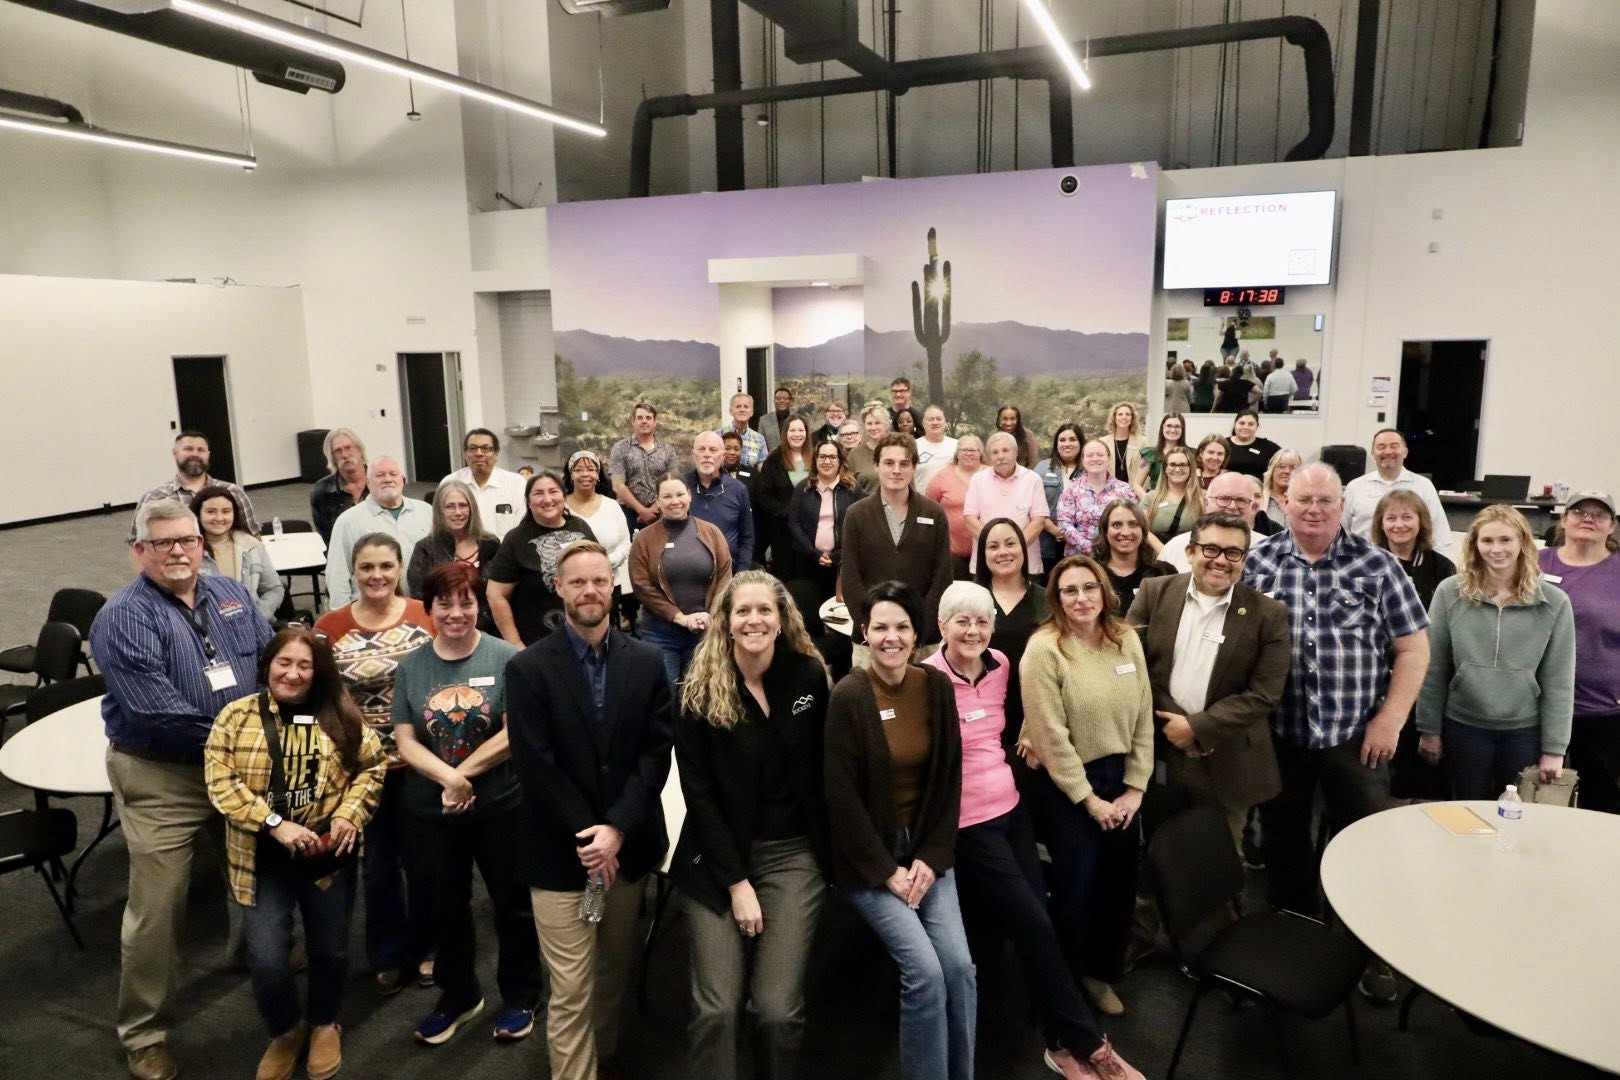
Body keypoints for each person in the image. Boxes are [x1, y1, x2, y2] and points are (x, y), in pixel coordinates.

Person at [923, 582, 1145, 1080]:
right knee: (1035, 925)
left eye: (982, 621)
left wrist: (1028, 736)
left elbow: (1030, 714)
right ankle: (1088, 1045)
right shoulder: (928, 680)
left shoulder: (1002, 665)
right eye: (962, 621)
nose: (973, 630)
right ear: (942, 625)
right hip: (969, 823)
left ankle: (1058, 1044)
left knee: (1040, 918)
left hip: (1013, 810)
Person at [90, 501, 276, 1080]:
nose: (177, 551)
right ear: (139, 551)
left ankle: (252, 955)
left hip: (239, 765)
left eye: (187, 540)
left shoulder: (231, 595)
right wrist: (248, 741)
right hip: (163, 775)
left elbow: (270, 658)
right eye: (163, 542)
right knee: (159, 905)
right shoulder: (123, 616)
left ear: (203, 545)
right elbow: (158, 714)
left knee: (253, 870)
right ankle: (145, 1033)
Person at [1242, 463, 1429, 1002]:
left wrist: (1390, 720)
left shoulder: (1377, 565)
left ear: (1342, 505)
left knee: (1365, 848)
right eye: (1303, 499)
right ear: (1285, 503)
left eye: (1325, 500)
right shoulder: (1258, 563)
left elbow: (1414, 649)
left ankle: (1369, 952)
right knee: (1284, 843)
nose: (1314, 509)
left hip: (1357, 737)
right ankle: (1295, 940)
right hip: (1281, 735)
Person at [506, 542, 674, 1080]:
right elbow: (536, 764)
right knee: (571, 988)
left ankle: (604, 1059)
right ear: (559, 588)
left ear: (613, 586)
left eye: (599, 581)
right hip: (560, 855)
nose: (590, 591)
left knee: (612, 974)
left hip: (627, 850)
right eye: (577, 582)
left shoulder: (646, 662)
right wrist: (591, 836)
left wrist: (617, 828)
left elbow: (655, 753)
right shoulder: (528, 668)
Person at [204, 628, 386, 1080]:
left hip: (326, 857)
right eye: (284, 662)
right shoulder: (235, 717)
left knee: (330, 948)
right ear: (267, 665)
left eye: (305, 665)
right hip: (262, 860)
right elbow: (220, 782)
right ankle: (284, 1030)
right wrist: (273, 823)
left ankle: (324, 1022)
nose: (293, 673)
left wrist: (349, 814)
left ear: (318, 671)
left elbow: (372, 766)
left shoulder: (339, 716)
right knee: (267, 958)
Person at [673, 572, 831, 1080]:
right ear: (726, 621)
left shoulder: (808, 677)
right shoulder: (698, 693)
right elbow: (699, 798)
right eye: (743, 610)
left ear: (782, 620)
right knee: (717, 1010)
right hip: (716, 858)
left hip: (792, 854)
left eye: (765, 610)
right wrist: (737, 883)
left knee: (777, 1012)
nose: (754, 620)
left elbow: (829, 769)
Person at [825, 581, 974, 1080]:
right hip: (872, 859)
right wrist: (888, 871)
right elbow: (841, 799)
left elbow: (950, 778)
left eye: (902, 627)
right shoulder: (849, 696)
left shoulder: (936, 686)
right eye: (881, 627)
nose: (892, 637)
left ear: (917, 633)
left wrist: (931, 857)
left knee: (959, 968)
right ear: (864, 632)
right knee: (926, 973)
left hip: (927, 850)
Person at [392, 563, 541, 1045]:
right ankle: (458, 996)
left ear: (480, 605)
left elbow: (514, 734)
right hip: (431, 810)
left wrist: (462, 775)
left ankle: (521, 996)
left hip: (500, 806)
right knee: (445, 906)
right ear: (429, 608)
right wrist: (448, 779)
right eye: (444, 603)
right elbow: (405, 740)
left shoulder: (507, 658)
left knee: (512, 904)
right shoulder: (412, 666)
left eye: (466, 602)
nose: (456, 613)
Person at [1018, 555, 1154, 1018]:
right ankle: (1067, 981)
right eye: (1069, 590)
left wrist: (1136, 787)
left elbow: (1143, 717)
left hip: (1122, 779)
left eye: (1089, 587)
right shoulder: (1045, 649)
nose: (1081, 598)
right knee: (1077, 886)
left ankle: (1101, 972)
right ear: (1056, 599)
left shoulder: (1126, 639)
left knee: (1120, 882)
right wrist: (1089, 800)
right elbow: (1048, 735)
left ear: (1104, 591)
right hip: (1068, 785)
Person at [313, 533, 439, 995]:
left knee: (425, 862)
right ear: (353, 571)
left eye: (386, 566)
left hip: (423, 761)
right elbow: (319, 696)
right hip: (365, 770)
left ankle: (429, 947)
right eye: (366, 567)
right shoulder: (330, 626)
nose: (377, 576)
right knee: (379, 868)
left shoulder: (425, 614)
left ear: (400, 567)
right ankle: (386, 953)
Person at [1127, 512, 1289, 849]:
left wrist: (1197, 727)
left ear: (1244, 559)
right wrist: (1176, 723)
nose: (1221, 560)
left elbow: (1265, 693)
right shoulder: (1154, 593)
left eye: (1233, 552)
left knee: (1221, 861)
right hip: (1161, 750)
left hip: (1229, 759)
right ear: (1190, 552)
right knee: (1161, 851)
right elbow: (1130, 666)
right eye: (1211, 549)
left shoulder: (1268, 615)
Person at [1417, 507, 1575, 799]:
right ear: (1474, 544)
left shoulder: (1555, 602)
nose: (1496, 549)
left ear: (1523, 542)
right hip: (1463, 727)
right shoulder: (1449, 592)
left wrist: (1555, 748)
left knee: (1517, 815)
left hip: (1524, 732)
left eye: (1505, 540)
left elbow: (1559, 681)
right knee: (1465, 813)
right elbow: (1433, 666)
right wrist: (1429, 728)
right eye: (1487, 541)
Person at [1371, 489, 1456, 800]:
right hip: (1379, 682)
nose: (1399, 524)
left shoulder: (1443, 569)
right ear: (1380, 523)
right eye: (1391, 518)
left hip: (1427, 679)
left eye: (1407, 517)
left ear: (1422, 522)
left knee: (1424, 771)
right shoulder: (1369, 563)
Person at [1539, 491, 1620, 813]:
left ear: (1612, 526)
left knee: (1601, 805)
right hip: (1536, 707)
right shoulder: (1533, 562)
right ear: (1563, 519)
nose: (1588, 519)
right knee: (1536, 798)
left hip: (1602, 711)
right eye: (1579, 512)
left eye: (1599, 515)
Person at [840, 434, 953, 650]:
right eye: (889, 463)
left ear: (914, 467)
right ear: (876, 466)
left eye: (904, 464)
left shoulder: (934, 513)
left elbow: (943, 575)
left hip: (923, 640)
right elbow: (850, 575)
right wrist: (871, 626)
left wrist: (920, 629)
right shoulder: (856, 514)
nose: (896, 470)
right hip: (870, 640)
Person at [630, 474, 734, 685]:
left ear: (689, 496)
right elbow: (641, 585)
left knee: (702, 694)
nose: (674, 501)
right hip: (660, 633)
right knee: (664, 694)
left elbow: (725, 576)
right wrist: (678, 617)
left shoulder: (712, 532)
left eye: (679, 494)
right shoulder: (644, 539)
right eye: (667, 496)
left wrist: (711, 614)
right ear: (658, 501)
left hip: (705, 630)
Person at [485, 469, 600, 647]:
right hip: (535, 643)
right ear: (528, 502)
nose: (547, 499)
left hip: (585, 638)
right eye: (538, 493)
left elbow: (599, 576)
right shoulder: (516, 539)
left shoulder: (580, 527)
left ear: (563, 496)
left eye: (553, 491)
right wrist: (515, 644)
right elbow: (495, 594)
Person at [324, 457, 433, 609]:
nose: (388, 479)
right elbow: (337, 574)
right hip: (369, 612)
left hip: (419, 607)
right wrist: (341, 615)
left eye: (393, 474)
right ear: (368, 483)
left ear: (402, 480)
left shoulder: (426, 511)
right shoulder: (348, 521)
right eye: (380, 475)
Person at [129, 430, 260, 545]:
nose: (195, 454)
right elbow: (138, 543)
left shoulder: (233, 492)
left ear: (208, 454)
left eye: (201, 450)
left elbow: (253, 536)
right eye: (188, 449)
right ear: (175, 453)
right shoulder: (154, 498)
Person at [406, 481, 499, 625]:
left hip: (489, 628)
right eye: (449, 506)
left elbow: (500, 592)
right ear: (439, 511)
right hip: (443, 627)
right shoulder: (425, 548)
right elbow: (420, 598)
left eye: (463, 505)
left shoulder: (491, 544)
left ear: (472, 508)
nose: (458, 512)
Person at [1342, 428, 1453, 549]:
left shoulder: (1424, 486)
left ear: (1405, 452)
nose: (1388, 451)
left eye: (1394, 446)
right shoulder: (1355, 487)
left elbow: (1439, 536)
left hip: (1410, 559)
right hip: (1363, 558)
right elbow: (1340, 531)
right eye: (1381, 447)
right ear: (1373, 453)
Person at [786, 440, 862, 609]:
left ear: (840, 461)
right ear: (815, 460)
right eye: (822, 457)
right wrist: (814, 554)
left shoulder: (853, 489)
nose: (827, 461)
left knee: (839, 611)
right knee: (809, 609)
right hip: (808, 562)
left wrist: (837, 556)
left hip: (842, 565)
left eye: (832, 457)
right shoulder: (803, 488)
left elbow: (861, 528)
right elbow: (794, 524)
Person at [964, 431, 1049, 577]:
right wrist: (995, 548)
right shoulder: (978, 480)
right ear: (989, 457)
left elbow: (1038, 521)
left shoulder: (1033, 479)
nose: (1000, 456)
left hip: (1026, 565)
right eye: (995, 452)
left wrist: (1014, 549)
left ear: (1015, 452)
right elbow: (970, 519)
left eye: (1005, 450)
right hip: (986, 565)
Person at [191, 485, 283, 618]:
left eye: (226, 511)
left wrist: (257, 616)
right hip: (207, 626)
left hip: (253, 624)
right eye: (211, 512)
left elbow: (274, 589)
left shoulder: (252, 545)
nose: (219, 518)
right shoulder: (187, 551)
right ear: (198, 514)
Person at [563, 450, 633, 623]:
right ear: (570, 475)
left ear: (598, 474)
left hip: (608, 583)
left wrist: (604, 564)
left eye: (591, 469)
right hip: (571, 585)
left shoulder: (612, 506)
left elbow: (625, 544)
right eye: (579, 470)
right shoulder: (561, 507)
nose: (585, 474)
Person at [1160, 472, 1275, 572]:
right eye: (1224, 499)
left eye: (1241, 500)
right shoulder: (1175, 547)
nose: (1232, 506)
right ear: (1205, 504)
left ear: (1253, 507)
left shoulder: (1269, 550)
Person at [1055, 438, 1136, 558]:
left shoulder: (1125, 490)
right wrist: (1090, 549)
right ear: (1083, 460)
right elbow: (1064, 524)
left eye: (1100, 455)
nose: (1095, 458)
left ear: (1108, 459)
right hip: (1079, 559)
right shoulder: (1071, 490)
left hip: (1116, 557)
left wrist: (1110, 549)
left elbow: (1133, 522)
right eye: (1090, 455)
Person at [439, 428, 526, 540]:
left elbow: (522, 528)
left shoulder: (516, 483)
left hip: (504, 549)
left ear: (496, 454)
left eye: (485, 448)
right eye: (472, 448)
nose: (479, 453)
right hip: (461, 548)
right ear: (465, 454)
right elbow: (441, 524)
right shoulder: (450, 482)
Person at [1092, 500, 1174, 617]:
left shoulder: (1164, 573)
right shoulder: (1091, 574)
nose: (1125, 532)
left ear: (1143, 531)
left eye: (1133, 524)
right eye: (1116, 525)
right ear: (1105, 531)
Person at [688, 431, 755, 570]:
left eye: (713, 450)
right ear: (693, 456)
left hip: (728, 572)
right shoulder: (681, 487)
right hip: (689, 572)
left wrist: (741, 574)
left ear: (722, 456)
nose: (707, 454)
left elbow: (747, 538)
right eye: (701, 449)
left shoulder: (738, 489)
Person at [608, 402, 678, 534]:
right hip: (628, 513)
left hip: (661, 512)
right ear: (633, 421)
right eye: (640, 418)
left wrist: (654, 509)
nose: (644, 421)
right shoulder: (620, 448)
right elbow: (618, 485)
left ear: (655, 422)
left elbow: (673, 483)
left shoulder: (668, 450)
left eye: (648, 418)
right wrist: (641, 510)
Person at [754, 416, 812, 573]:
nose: (797, 434)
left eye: (801, 430)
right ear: (785, 433)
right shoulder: (774, 459)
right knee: (785, 573)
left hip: (811, 530)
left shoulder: (815, 457)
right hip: (782, 531)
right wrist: (787, 513)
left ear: (807, 433)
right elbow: (764, 495)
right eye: (792, 430)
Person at [925, 435, 984, 580]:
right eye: (964, 450)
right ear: (957, 453)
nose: (969, 453)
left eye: (973, 450)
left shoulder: (991, 474)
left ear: (981, 453)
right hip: (953, 554)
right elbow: (928, 508)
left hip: (987, 552)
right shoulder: (943, 476)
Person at [1033, 423, 1084, 575]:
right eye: (1062, 440)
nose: (1067, 444)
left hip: (1081, 544)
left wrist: (1072, 534)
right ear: (1056, 444)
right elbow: (1033, 504)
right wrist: (1054, 530)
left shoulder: (1089, 469)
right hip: (1047, 541)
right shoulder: (1042, 468)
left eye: (1072, 439)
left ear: (1081, 443)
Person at [310, 427, 368, 546]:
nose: (345, 455)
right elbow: (327, 539)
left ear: (360, 450)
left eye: (348, 447)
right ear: (332, 458)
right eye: (338, 451)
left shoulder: (380, 482)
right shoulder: (322, 491)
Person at [1140, 446, 1202, 545]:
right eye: (1172, 465)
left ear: (1191, 469)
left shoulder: (1202, 498)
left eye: (1183, 465)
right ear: (1165, 469)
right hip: (1156, 552)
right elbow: (1142, 529)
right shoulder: (1150, 498)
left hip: (1190, 551)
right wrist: (1164, 551)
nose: (1177, 469)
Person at [847, 402, 891, 496]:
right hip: (865, 504)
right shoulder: (855, 454)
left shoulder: (897, 450)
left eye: (877, 423)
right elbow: (847, 487)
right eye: (869, 424)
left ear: (886, 424)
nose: (873, 427)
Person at [1136, 413, 1187, 494]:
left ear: (1182, 429)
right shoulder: (1150, 454)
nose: (1173, 430)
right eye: (1169, 426)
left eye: (1177, 426)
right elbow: (1137, 485)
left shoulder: (1190, 454)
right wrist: (1149, 500)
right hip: (1157, 499)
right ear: (1162, 427)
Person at [1222, 410, 1281, 480]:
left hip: (1258, 486)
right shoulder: (1222, 444)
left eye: (1251, 424)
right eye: (1242, 423)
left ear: (1257, 426)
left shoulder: (1267, 447)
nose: (1245, 427)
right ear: (1235, 424)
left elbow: (1286, 459)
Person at [913, 404, 958, 493]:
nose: (935, 422)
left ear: (945, 422)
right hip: (921, 499)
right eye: (931, 419)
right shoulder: (913, 446)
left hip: (950, 499)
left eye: (939, 419)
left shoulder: (957, 445)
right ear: (923, 424)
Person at [718, 393, 768, 469]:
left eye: (746, 407)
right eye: (738, 406)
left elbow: (763, 469)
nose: (742, 410)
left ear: (751, 412)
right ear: (731, 411)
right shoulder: (717, 436)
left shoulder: (759, 439)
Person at [1103, 402, 1145, 487]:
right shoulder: (1103, 442)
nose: (1124, 417)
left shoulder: (1142, 442)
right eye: (1120, 414)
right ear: (1114, 418)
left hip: (1133, 491)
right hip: (1110, 491)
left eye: (1128, 414)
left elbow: (1145, 469)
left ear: (1132, 418)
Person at [1260, 449, 1302, 529]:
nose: (1287, 471)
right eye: (1281, 467)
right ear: (1272, 470)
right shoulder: (1259, 498)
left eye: (1293, 468)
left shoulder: (1305, 501)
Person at [995, 404, 1041, 469]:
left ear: (1018, 420)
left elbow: (1033, 462)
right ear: (999, 419)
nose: (1008, 423)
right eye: (1005, 419)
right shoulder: (994, 436)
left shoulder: (1027, 435)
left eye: (1012, 419)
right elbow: (989, 461)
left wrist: (1023, 474)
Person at [758, 386, 796, 453]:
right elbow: (760, 445)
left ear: (790, 401)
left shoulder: (799, 419)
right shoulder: (764, 420)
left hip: (794, 457)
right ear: (774, 401)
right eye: (778, 398)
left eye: (785, 398)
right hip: (772, 458)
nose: (782, 401)